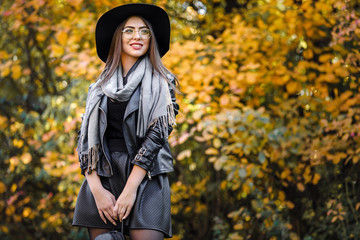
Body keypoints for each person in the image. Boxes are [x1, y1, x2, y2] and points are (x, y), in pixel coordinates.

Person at [72, 3, 179, 240]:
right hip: (103, 178)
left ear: (151, 39)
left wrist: (131, 190)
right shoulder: (97, 88)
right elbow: (84, 142)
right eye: (129, 30)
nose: (137, 36)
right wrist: (97, 190)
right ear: (117, 38)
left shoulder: (163, 83)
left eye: (144, 31)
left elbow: (156, 138)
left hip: (146, 178)